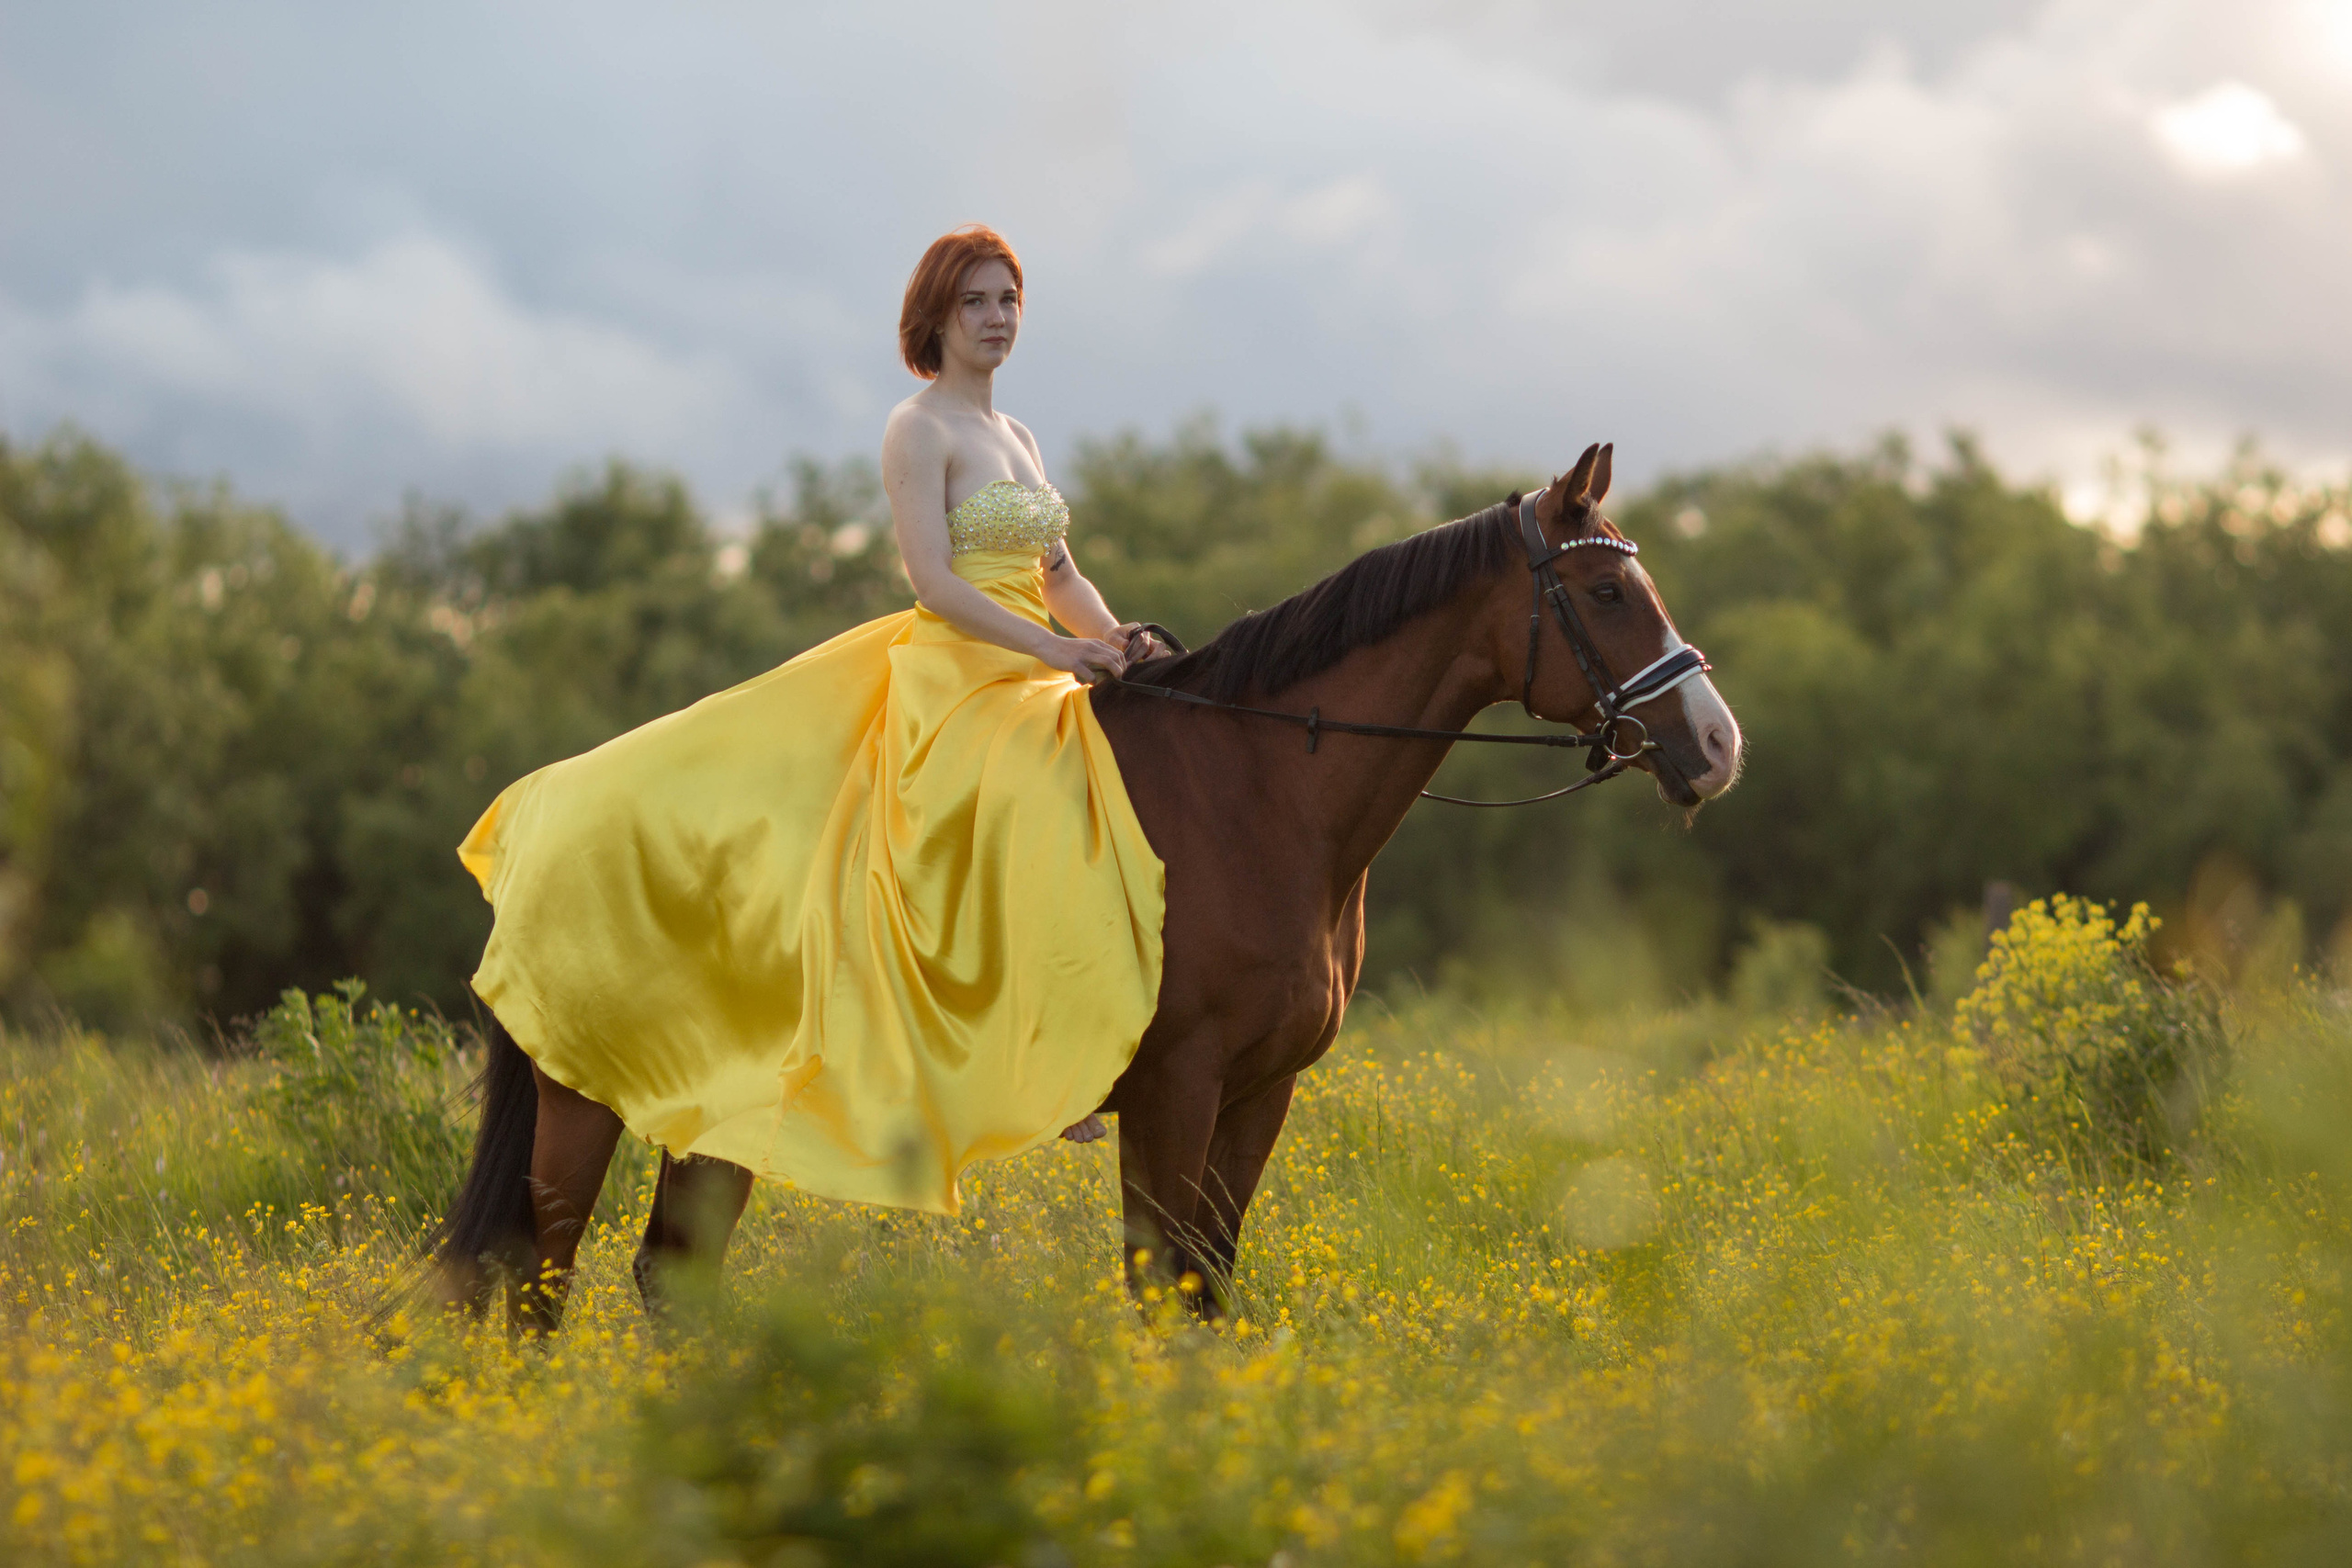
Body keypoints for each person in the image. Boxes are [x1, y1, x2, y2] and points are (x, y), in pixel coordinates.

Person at [457, 224, 1166, 1217]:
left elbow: (1059, 577)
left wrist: (1113, 635)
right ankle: (1028, 1051)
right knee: (1018, 793)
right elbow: (933, 580)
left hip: (1030, 665)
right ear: (935, 317)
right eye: (975, 301)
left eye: (1008, 299)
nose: (997, 318)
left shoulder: (1020, 435)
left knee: (1103, 786)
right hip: (959, 675)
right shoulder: (917, 429)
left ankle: (1074, 1043)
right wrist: (1052, 653)